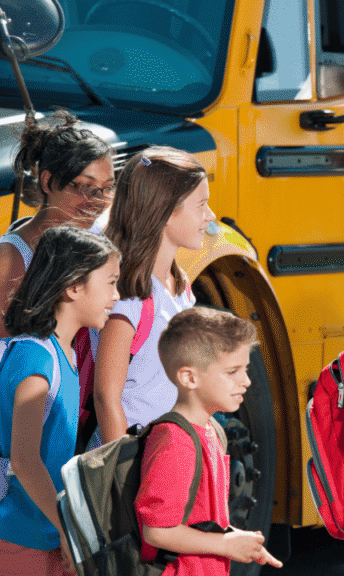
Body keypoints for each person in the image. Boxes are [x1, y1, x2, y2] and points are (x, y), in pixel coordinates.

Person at [0, 226, 120, 576]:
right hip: (18, 539)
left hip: (43, 533)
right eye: (110, 282)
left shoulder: (63, 351)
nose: (116, 295)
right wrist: (67, 529)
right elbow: (24, 461)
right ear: (73, 287)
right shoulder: (35, 358)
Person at [136, 307, 281, 574]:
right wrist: (224, 544)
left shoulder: (211, 431)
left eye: (246, 369)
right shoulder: (175, 442)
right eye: (232, 371)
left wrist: (237, 540)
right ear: (189, 378)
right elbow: (157, 531)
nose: (247, 381)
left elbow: (199, 520)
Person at [93, 146, 215, 445]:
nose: (210, 216)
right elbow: (106, 398)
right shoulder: (128, 298)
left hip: (168, 456)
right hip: (134, 464)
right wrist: (117, 480)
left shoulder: (181, 287)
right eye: (200, 205)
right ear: (165, 213)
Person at [0, 111, 114, 337]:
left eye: (108, 187)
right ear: (47, 181)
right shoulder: (10, 259)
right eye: (84, 186)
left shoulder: (96, 236)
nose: (98, 201)